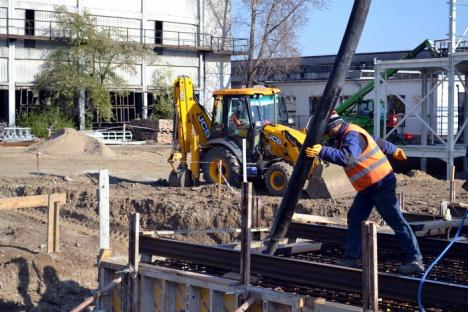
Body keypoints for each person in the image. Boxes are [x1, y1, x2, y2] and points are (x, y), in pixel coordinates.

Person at [305, 112, 424, 275]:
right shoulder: (347, 134)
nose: (325, 136)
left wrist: (322, 151)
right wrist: (393, 149)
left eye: (326, 131)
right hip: (368, 186)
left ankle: (415, 260)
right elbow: (376, 140)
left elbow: (348, 158)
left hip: (380, 183)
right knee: (355, 217)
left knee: (395, 220)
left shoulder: (351, 135)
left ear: (332, 126)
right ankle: (351, 259)